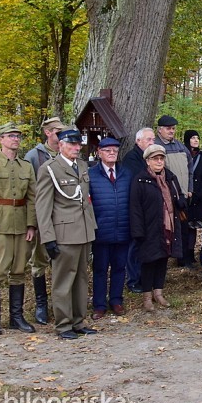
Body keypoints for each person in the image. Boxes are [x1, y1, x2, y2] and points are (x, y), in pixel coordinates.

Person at [36, 128, 98, 339]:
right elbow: (43, 206)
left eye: (78, 144)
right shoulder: (50, 169)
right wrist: (48, 237)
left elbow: (84, 201)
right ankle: (63, 325)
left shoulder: (81, 165)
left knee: (81, 279)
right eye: (71, 144)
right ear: (60, 144)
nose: (76, 148)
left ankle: (78, 321)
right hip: (63, 233)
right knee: (63, 281)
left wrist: (92, 228)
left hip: (84, 231)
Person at [0, 123, 38, 335]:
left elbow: (32, 198)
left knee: (19, 272)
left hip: (21, 225)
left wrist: (32, 224)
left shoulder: (26, 166)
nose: (16, 139)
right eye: (11, 136)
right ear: (0, 139)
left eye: (18, 136)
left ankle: (16, 317)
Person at [129, 144, 185, 312]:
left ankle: (158, 293)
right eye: (155, 159)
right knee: (149, 261)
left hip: (169, 225)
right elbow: (135, 208)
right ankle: (147, 297)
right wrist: (138, 232)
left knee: (163, 259)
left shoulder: (170, 177)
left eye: (161, 158)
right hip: (149, 227)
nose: (159, 162)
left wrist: (181, 201)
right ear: (147, 161)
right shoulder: (140, 179)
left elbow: (178, 195)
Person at [24, 116, 64, 325]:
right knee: (39, 261)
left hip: (65, 217)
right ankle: (41, 303)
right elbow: (30, 191)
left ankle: (62, 303)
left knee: (63, 260)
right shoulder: (34, 156)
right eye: (57, 132)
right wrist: (32, 221)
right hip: (43, 217)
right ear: (48, 133)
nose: (60, 135)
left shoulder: (66, 152)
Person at [88, 137, 131, 318]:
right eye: (107, 150)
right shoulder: (90, 175)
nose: (112, 153)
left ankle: (116, 300)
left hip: (123, 229)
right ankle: (99, 304)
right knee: (100, 269)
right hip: (100, 230)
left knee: (120, 267)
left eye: (114, 150)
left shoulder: (126, 174)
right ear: (99, 152)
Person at [122, 127, 155, 293]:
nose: (151, 143)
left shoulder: (150, 159)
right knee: (135, 245)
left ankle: (145, 278)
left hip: (150, 210)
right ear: (138, 141)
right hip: (136, 209)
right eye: (148, 140)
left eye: (153, 140)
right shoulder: (132, 159)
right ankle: (133, 280)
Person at [183, 130, 202, 267]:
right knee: (184, 227)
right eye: (193, 138)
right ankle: (183, 255)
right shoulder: (182, 155)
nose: (195, 140)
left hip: (199, 199)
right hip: (185, 197)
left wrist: (199, 194)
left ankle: (191, 253)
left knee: (194, 227)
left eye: (197, 138)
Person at [154, 115, 193, 197]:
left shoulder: (181, 147)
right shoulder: (155, 147)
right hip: (166, 196)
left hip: (183, 195)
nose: (171, 131)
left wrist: (190, 189)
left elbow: (190, 169)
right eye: (168, 128)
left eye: (173, 128)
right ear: (160, 130)